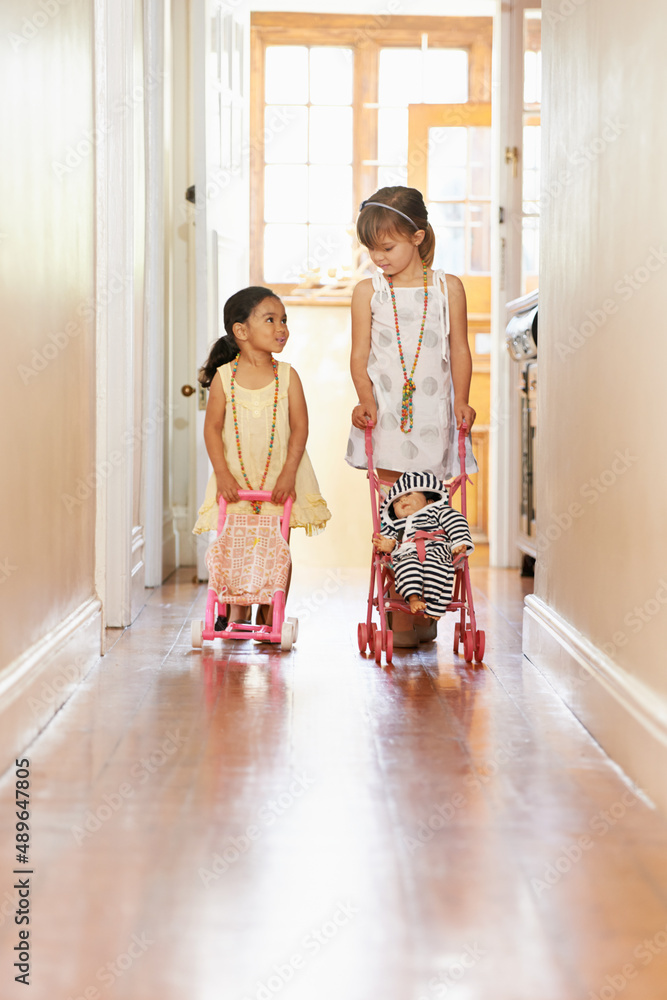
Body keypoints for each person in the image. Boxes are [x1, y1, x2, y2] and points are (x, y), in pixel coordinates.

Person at [345, 185, 477, 645]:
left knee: (433, 514)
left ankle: (430, 612)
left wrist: (463, 399)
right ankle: (400, 614)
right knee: (395, 516)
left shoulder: (448, 287)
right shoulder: (369, 292)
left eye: (387, 247)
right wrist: (365, 399)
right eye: (371, 249)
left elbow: (459, 349)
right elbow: (358, 356)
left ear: (418, 236)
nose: (378, 258)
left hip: (434, 418)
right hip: (386, 419)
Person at [193, 286, 331, 623]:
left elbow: (300, 428)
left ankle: (271, 611)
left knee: (276, 546)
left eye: (284, 320)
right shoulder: (224, 378)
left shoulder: (287, 376)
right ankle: (236, 609)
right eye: (270, 320)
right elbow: (212, 429)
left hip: (280, 476)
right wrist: (223, 474)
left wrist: (288, 473)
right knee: (235, 544)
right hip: (236, 477)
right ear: (241, 331)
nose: (281, 328)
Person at [372, 472, 474, 620]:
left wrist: (459, 543)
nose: (403, 500)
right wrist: (388, 545)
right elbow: (388, 538)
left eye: (409, 494)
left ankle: (435, 606)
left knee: (438, 568)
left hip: (437, 548)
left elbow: (456, 522)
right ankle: (413, 598)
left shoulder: (438, 511)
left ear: (429, 501)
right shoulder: (395, 523)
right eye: (397, 500)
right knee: (406, 567)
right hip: (407, 552)